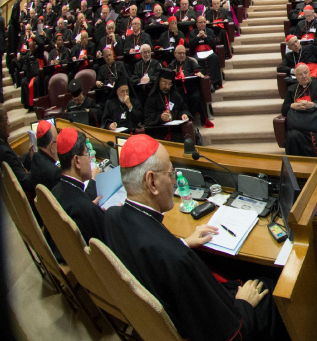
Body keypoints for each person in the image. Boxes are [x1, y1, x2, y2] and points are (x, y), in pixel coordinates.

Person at [105, 135, 289, 341]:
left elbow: (148, 256)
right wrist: (244, 303)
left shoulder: (112, 216)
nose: (175, 180)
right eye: (170, 173)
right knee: (270, 284)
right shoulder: (177, 258)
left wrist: (183, 242)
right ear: (152, 182)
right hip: (220, 325)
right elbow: (231, 336)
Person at [50, 128, 105, 243]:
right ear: (77, 161)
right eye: (87, 154)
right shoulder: (87, 210)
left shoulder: (54, 191)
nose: (90, 160)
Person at [281, 63, 317, 156]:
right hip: (297, 125)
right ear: (296, 76)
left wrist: (314, 105)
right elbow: (284, 110)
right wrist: (292, 106)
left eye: (306, 73)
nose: (304, 76)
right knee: (292, 136)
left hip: (315, 124)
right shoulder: (291, 89)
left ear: (310, 73)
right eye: (300, 74)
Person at [143, 68, 191, 142]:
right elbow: (147, 118)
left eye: (169, 84)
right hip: (158, 133)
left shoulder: (175, 95)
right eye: (164, 83)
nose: (167, 87)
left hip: (175, 131)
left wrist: (183, 114)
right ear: (159, 81)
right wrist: (160, 117)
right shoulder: (152, 98)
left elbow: (183, 108)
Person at [1, 105, 33, 193]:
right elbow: (25, 182)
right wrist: (38, 166)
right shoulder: (5, 153)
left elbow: (17, 164)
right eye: (5, 119)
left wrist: (28, 157)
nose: (9, 123)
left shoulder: (2, 143)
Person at [188, 16, 223, 91]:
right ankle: (204, 83)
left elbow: (214, 43)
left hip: (208, 51)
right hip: (197, 52)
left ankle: (213, 82)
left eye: (204, 22)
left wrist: (206, 36)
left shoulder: (210, 31)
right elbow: (190, 45)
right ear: (197, 24)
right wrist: (197, 37)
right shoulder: (193, 32)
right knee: (197, 61)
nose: (203, 24)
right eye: (201, 22)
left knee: (214, 57)